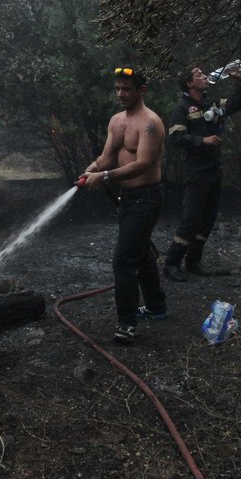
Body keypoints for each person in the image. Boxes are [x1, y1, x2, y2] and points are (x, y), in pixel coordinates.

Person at [81, 67, 167, 344]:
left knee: (124, 260)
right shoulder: (117, 121)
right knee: (140, 253)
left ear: (141, 90)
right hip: (128, 198)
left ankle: (126, 325)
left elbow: (143, 164)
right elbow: (108, 156)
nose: (120, 94)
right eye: (117, 88)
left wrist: (104, 176)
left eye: (126, 89)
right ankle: (156, 307)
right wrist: (92, 168)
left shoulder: (151, 123)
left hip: (147, 197)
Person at [163, 62, 241, 282]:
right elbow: (175, 137)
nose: (204, 76)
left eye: (203, 73)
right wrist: (203, 140)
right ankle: (171, 263)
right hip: (196, 171)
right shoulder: (182, 109)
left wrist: (240, 83)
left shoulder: (211, 105)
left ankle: (193, 262)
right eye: (198, 74)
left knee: (208, 219)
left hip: (213, 169)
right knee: (191, 218)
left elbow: (235, 105)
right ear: (189, 84)